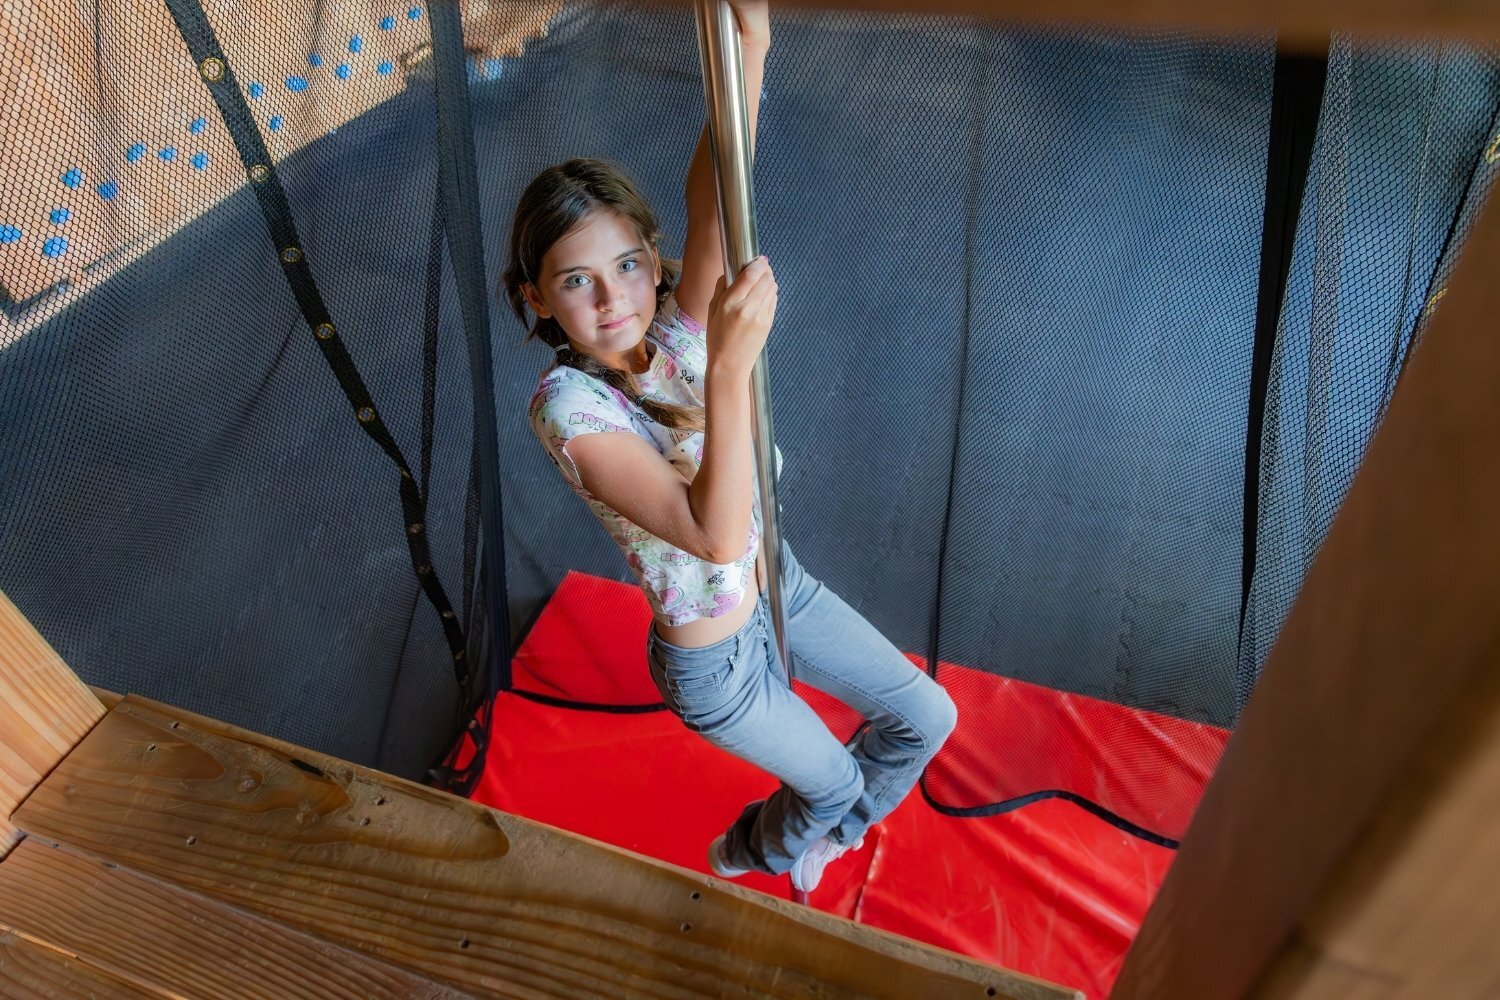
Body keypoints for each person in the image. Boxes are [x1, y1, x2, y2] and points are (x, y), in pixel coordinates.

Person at [503, 1, 956, 893]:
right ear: (537, 299)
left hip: (777, 581)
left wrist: (751, 45)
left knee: (926, 718)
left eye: (626, 265)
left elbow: (720, 188)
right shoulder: (566, 406)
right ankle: (752, 850)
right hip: (715, 662)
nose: (613, 299)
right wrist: (729, 370)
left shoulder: (677, 331)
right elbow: (710, 536)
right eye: (576, 281)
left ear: (653, 258)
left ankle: (832, 828)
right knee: (830, 781)